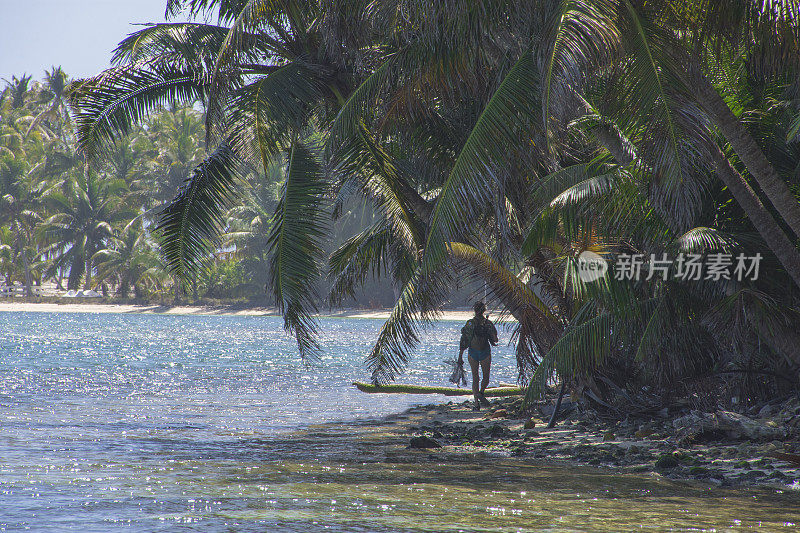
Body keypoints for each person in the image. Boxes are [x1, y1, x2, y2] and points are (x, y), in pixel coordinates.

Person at [458, 301, 498, 410]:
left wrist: (460, 357)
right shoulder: (488, 323)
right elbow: (495, 339)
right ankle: (481, 393)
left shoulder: (470, 323)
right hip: (485, 352)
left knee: (475, 378)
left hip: (473, 352)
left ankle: (476, 404)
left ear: (475, 311)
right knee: (486, 377)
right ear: (484, 310)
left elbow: (464, 341)